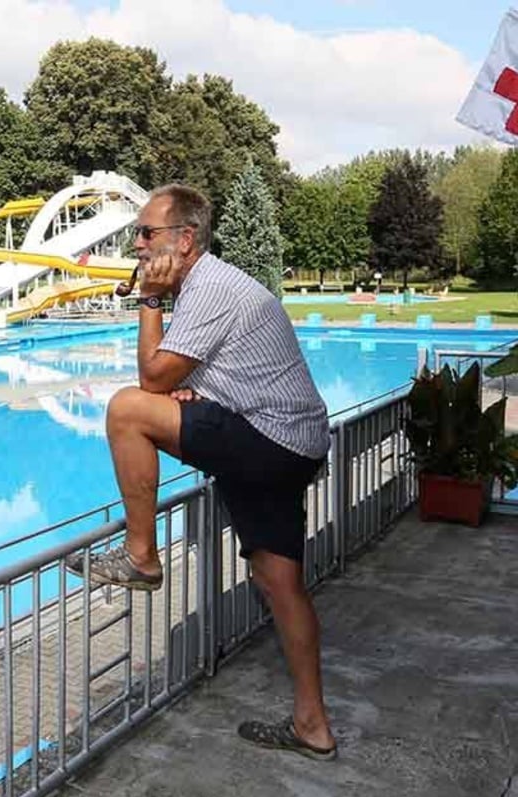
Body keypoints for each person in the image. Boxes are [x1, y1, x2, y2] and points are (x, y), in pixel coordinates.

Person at [66, 184, 338, 761]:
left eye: (146, 233)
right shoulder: (211, 283)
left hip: (269, 438)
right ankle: (312, 724)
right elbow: (207, 368)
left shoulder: (208, 287)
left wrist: (149, 301)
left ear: (185, 241)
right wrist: (199, 387)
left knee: (126, 411)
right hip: (294, 438)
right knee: (277, 579)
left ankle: (142, 556)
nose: (136, 244)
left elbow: (151, 381)